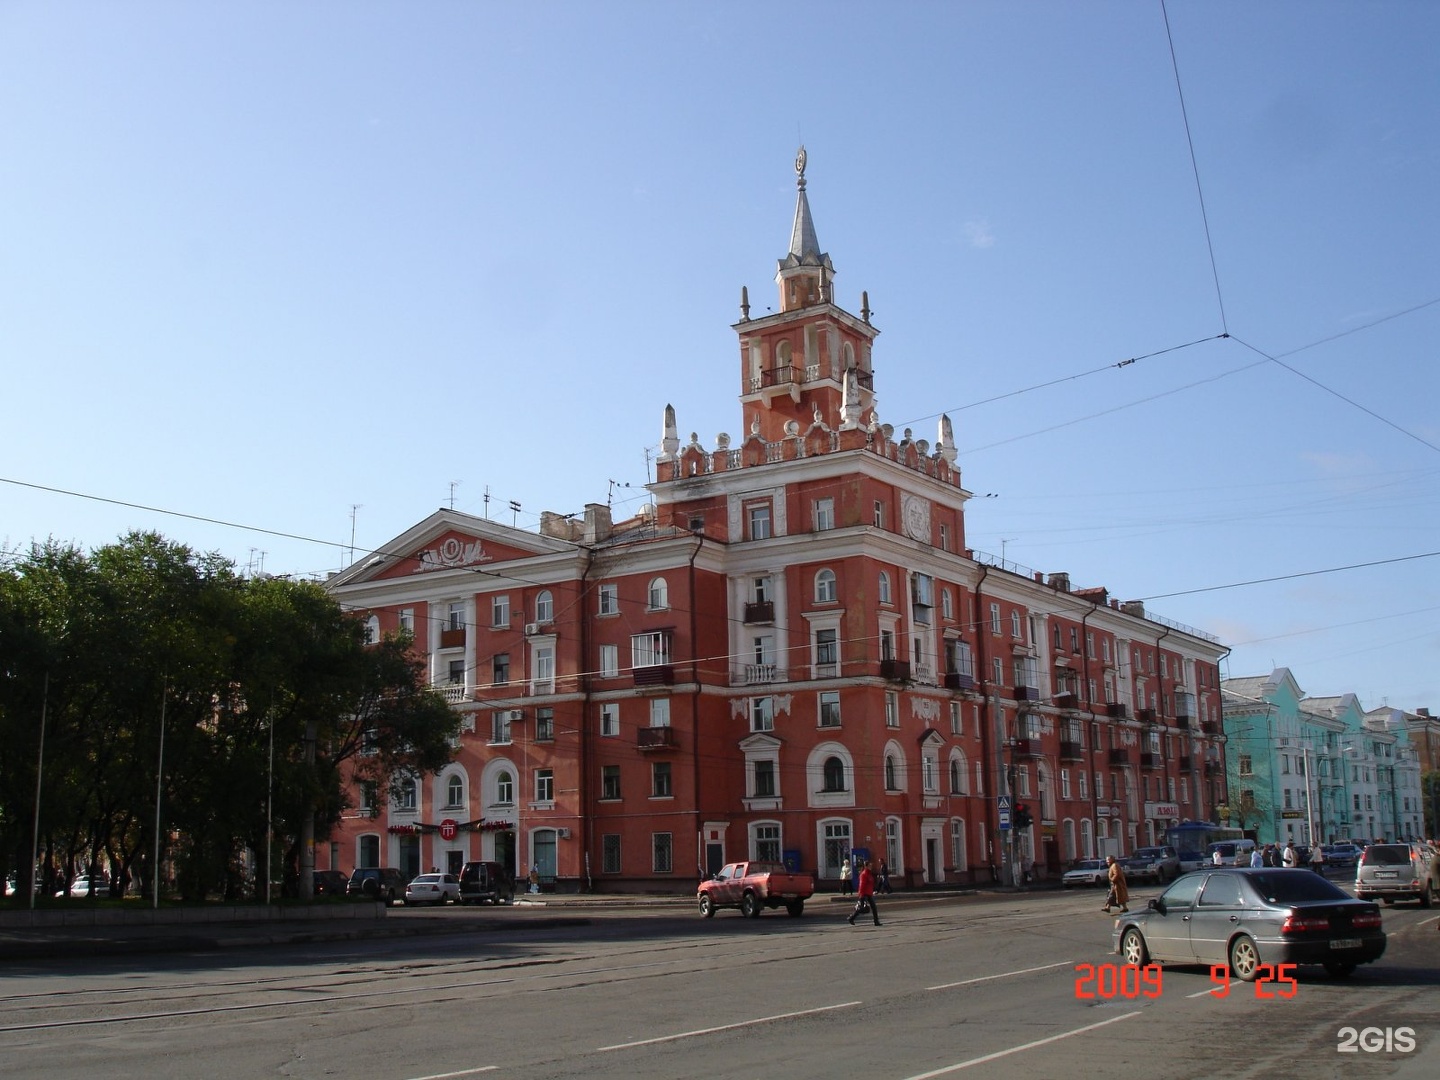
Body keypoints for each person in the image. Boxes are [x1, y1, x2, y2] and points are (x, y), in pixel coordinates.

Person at [847, 859, 881, 926]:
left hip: (869, 893)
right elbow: (862, 885)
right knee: (862, 908)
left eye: (871, 865)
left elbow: (871, 883)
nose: (871, 867)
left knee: (874, 907)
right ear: (866, 866)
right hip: (864, 893)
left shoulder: (869, 873)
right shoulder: (864, 874)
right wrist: (861, 895)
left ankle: (876, 921)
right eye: (870, 866)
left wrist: (873, 891)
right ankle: (851, 918)